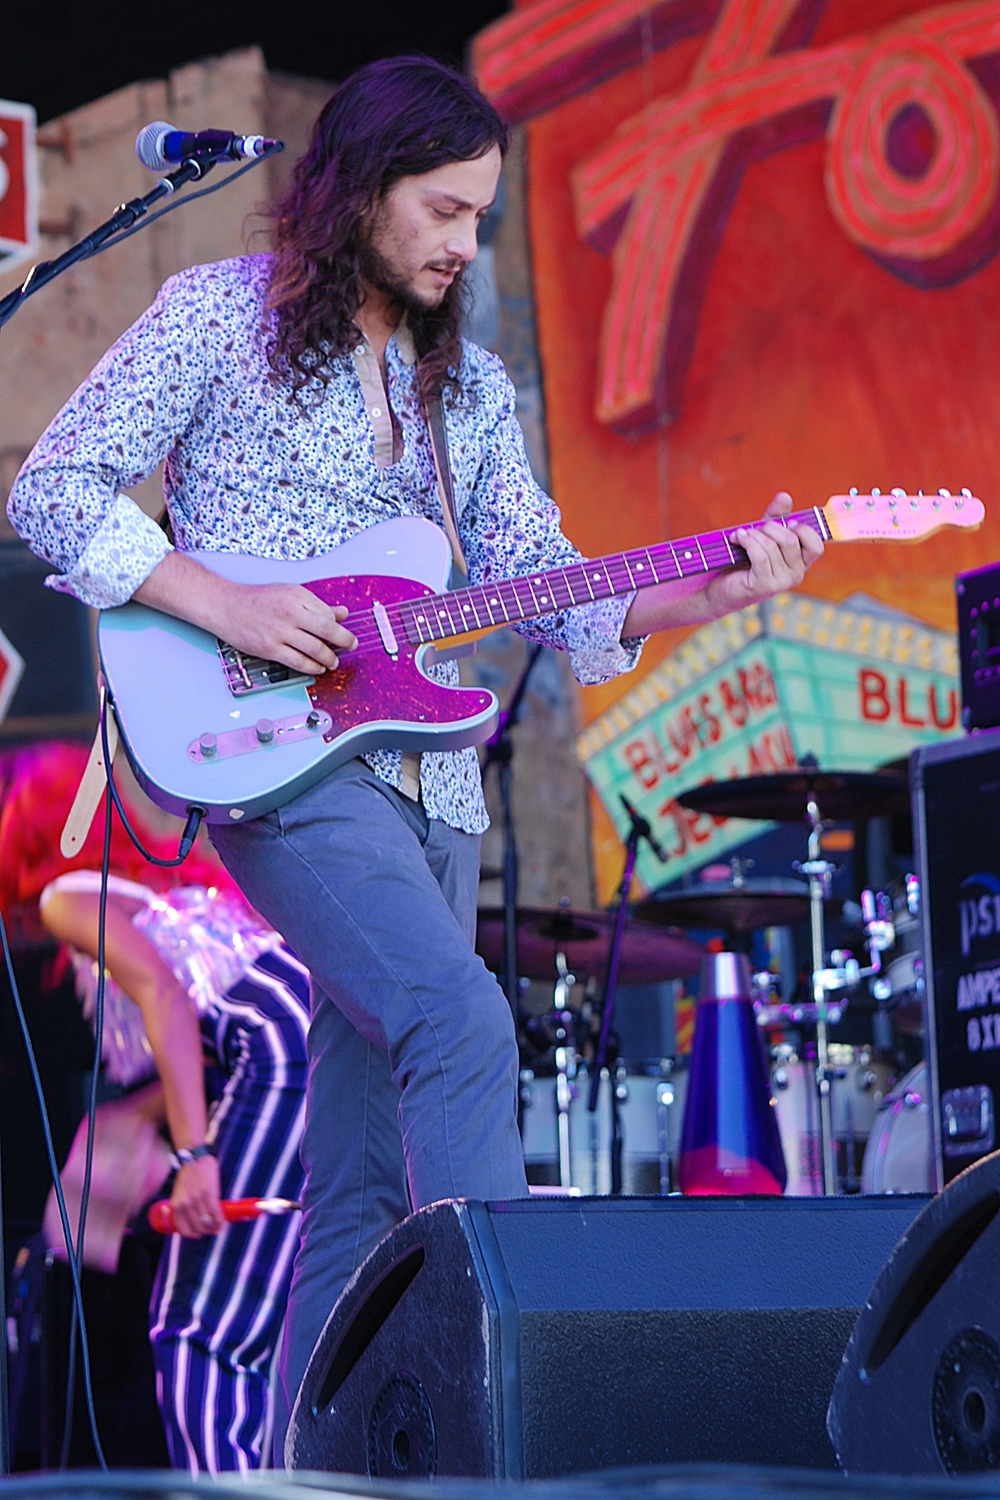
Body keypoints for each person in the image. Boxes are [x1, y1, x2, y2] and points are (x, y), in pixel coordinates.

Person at [7, 55, 824, 1459]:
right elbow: (51, 488)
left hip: (430, 784)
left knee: (362, 1177)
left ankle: (303, 1471)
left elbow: (547, 586)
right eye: (443, 210)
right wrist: (229, 603)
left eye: (480, 216)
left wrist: (709, 592)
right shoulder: (216, 318)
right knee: (461, 1022)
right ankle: (501, 1420)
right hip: (278, 752)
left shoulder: (471, 390)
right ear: (358, 191)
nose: (463, 242)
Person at [0, 743, 310, 1473]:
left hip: (280, 1052)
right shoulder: (149, 895)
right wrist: (131, 1122)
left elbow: (167, 999)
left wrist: (197, 1155)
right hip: (308, 1043)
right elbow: (200, 1040)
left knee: (199, 1331)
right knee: (270, 1331)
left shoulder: (65, 898)